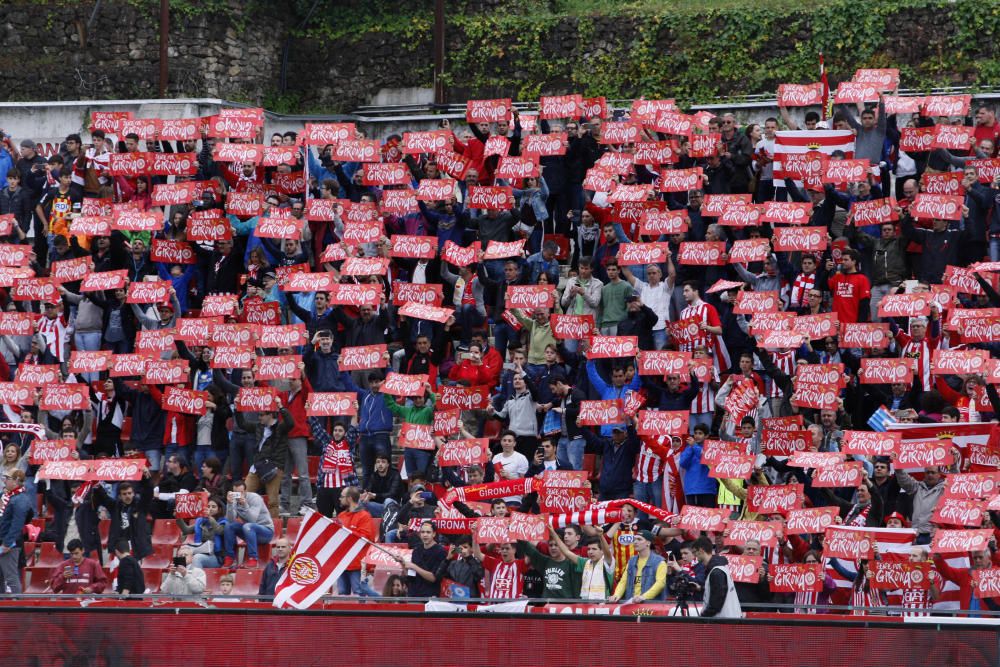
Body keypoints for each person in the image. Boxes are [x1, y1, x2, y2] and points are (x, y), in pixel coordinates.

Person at [235, 402, 293, 519]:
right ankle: (240, 523)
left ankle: (273, 528)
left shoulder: (280, 427)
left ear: (270, 415)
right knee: (242, 495)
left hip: (274, 467)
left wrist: (281, 407)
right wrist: (237, 408)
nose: (259, 417)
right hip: (257, 466)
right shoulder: (258, 426)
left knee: (272, 501)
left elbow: (290, 423)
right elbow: (242, 424)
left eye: (261, 415)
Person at [547, 523, 614, 600]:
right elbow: (566, 552)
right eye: (589, 549)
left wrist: (601, 536)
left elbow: (607, 552)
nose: (590, 552)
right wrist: (553, 533)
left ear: (602, 551)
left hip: (602, 605)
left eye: (594, 549)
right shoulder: (585, 562)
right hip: (585, 605)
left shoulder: (607, 563)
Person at [222, 479, 275, 569]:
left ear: (246, 491)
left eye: (241, 492)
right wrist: (230, 504)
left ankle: (253, 558)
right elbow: (230, 520)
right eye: (236, 493)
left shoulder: (255, 498)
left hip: (266, 532)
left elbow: (252, 520)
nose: (238, 495)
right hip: (249, 531)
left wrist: (245, 505)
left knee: (248, 526)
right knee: (228, 526)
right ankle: (230, 557)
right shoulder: (234, 500)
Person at [336, 486, 379, 597]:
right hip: (342, 563)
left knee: (359, 594)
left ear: (349, 498)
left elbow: (365, 538)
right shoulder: (341, 516)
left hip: (357, 564)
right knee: (341, 596)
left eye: (342, 496)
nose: (339, 499)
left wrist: (346, 531)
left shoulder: (364, 516)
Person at [609, 530, 667, 603]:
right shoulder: (631, 561)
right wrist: (616, 595)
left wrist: (643, 597)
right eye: (634, 539)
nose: (635, 542)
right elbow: (623, 582)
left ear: (648, 543)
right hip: (631, 604)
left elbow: (660, 584)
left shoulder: (659, 562)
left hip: (650, 607)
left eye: (639, 539)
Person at [692, 536, 742, 618]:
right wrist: (701, 588)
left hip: (723, 620)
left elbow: (716, 602)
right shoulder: (719, 567)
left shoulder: (716, 571)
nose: (694, 556)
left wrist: (703, 616)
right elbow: (718, 590)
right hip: (728, 618)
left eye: (694, 552)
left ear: (701, 550)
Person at [0, 469, 32, 594]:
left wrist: (8, 543)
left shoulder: (20, 499)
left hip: (9, 544)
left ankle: (19, 607)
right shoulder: (10, 497)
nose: (5, 481)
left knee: (11, 577)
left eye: (7, 478)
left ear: (16, 481)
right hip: (3, 540)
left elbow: (17, 524)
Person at [396, 520, 447, 598]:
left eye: (428, 532)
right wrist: (402, 564)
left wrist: (414, 566)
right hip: (413, 595)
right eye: (422, 532)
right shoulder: (416, 551)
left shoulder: (440, 551)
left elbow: (434, 578)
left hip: (429, 597)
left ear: (434, 534)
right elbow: (411, 577)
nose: (425, 535)